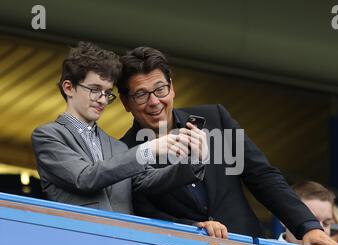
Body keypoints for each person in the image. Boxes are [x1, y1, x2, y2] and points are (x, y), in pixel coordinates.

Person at [116, 46, 338, 245]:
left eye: (160, 89)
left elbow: (261, 176)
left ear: (172, 88)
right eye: (141, 95)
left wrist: (307, 226)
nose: (154, 101)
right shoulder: (123, 153)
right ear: (126, 103)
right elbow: (141, 216)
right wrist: (193, 228)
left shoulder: (215, 119)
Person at [31, 42, 207, 215]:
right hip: (80, 240)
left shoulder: (118, 147)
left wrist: (195, 160)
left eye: (107, 93)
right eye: (94, 89)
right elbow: (84, 178)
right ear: (69, 88)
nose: (102, 100)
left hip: (121, 241)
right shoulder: (47, 136)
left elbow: (152, 181)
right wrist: (148, 150)